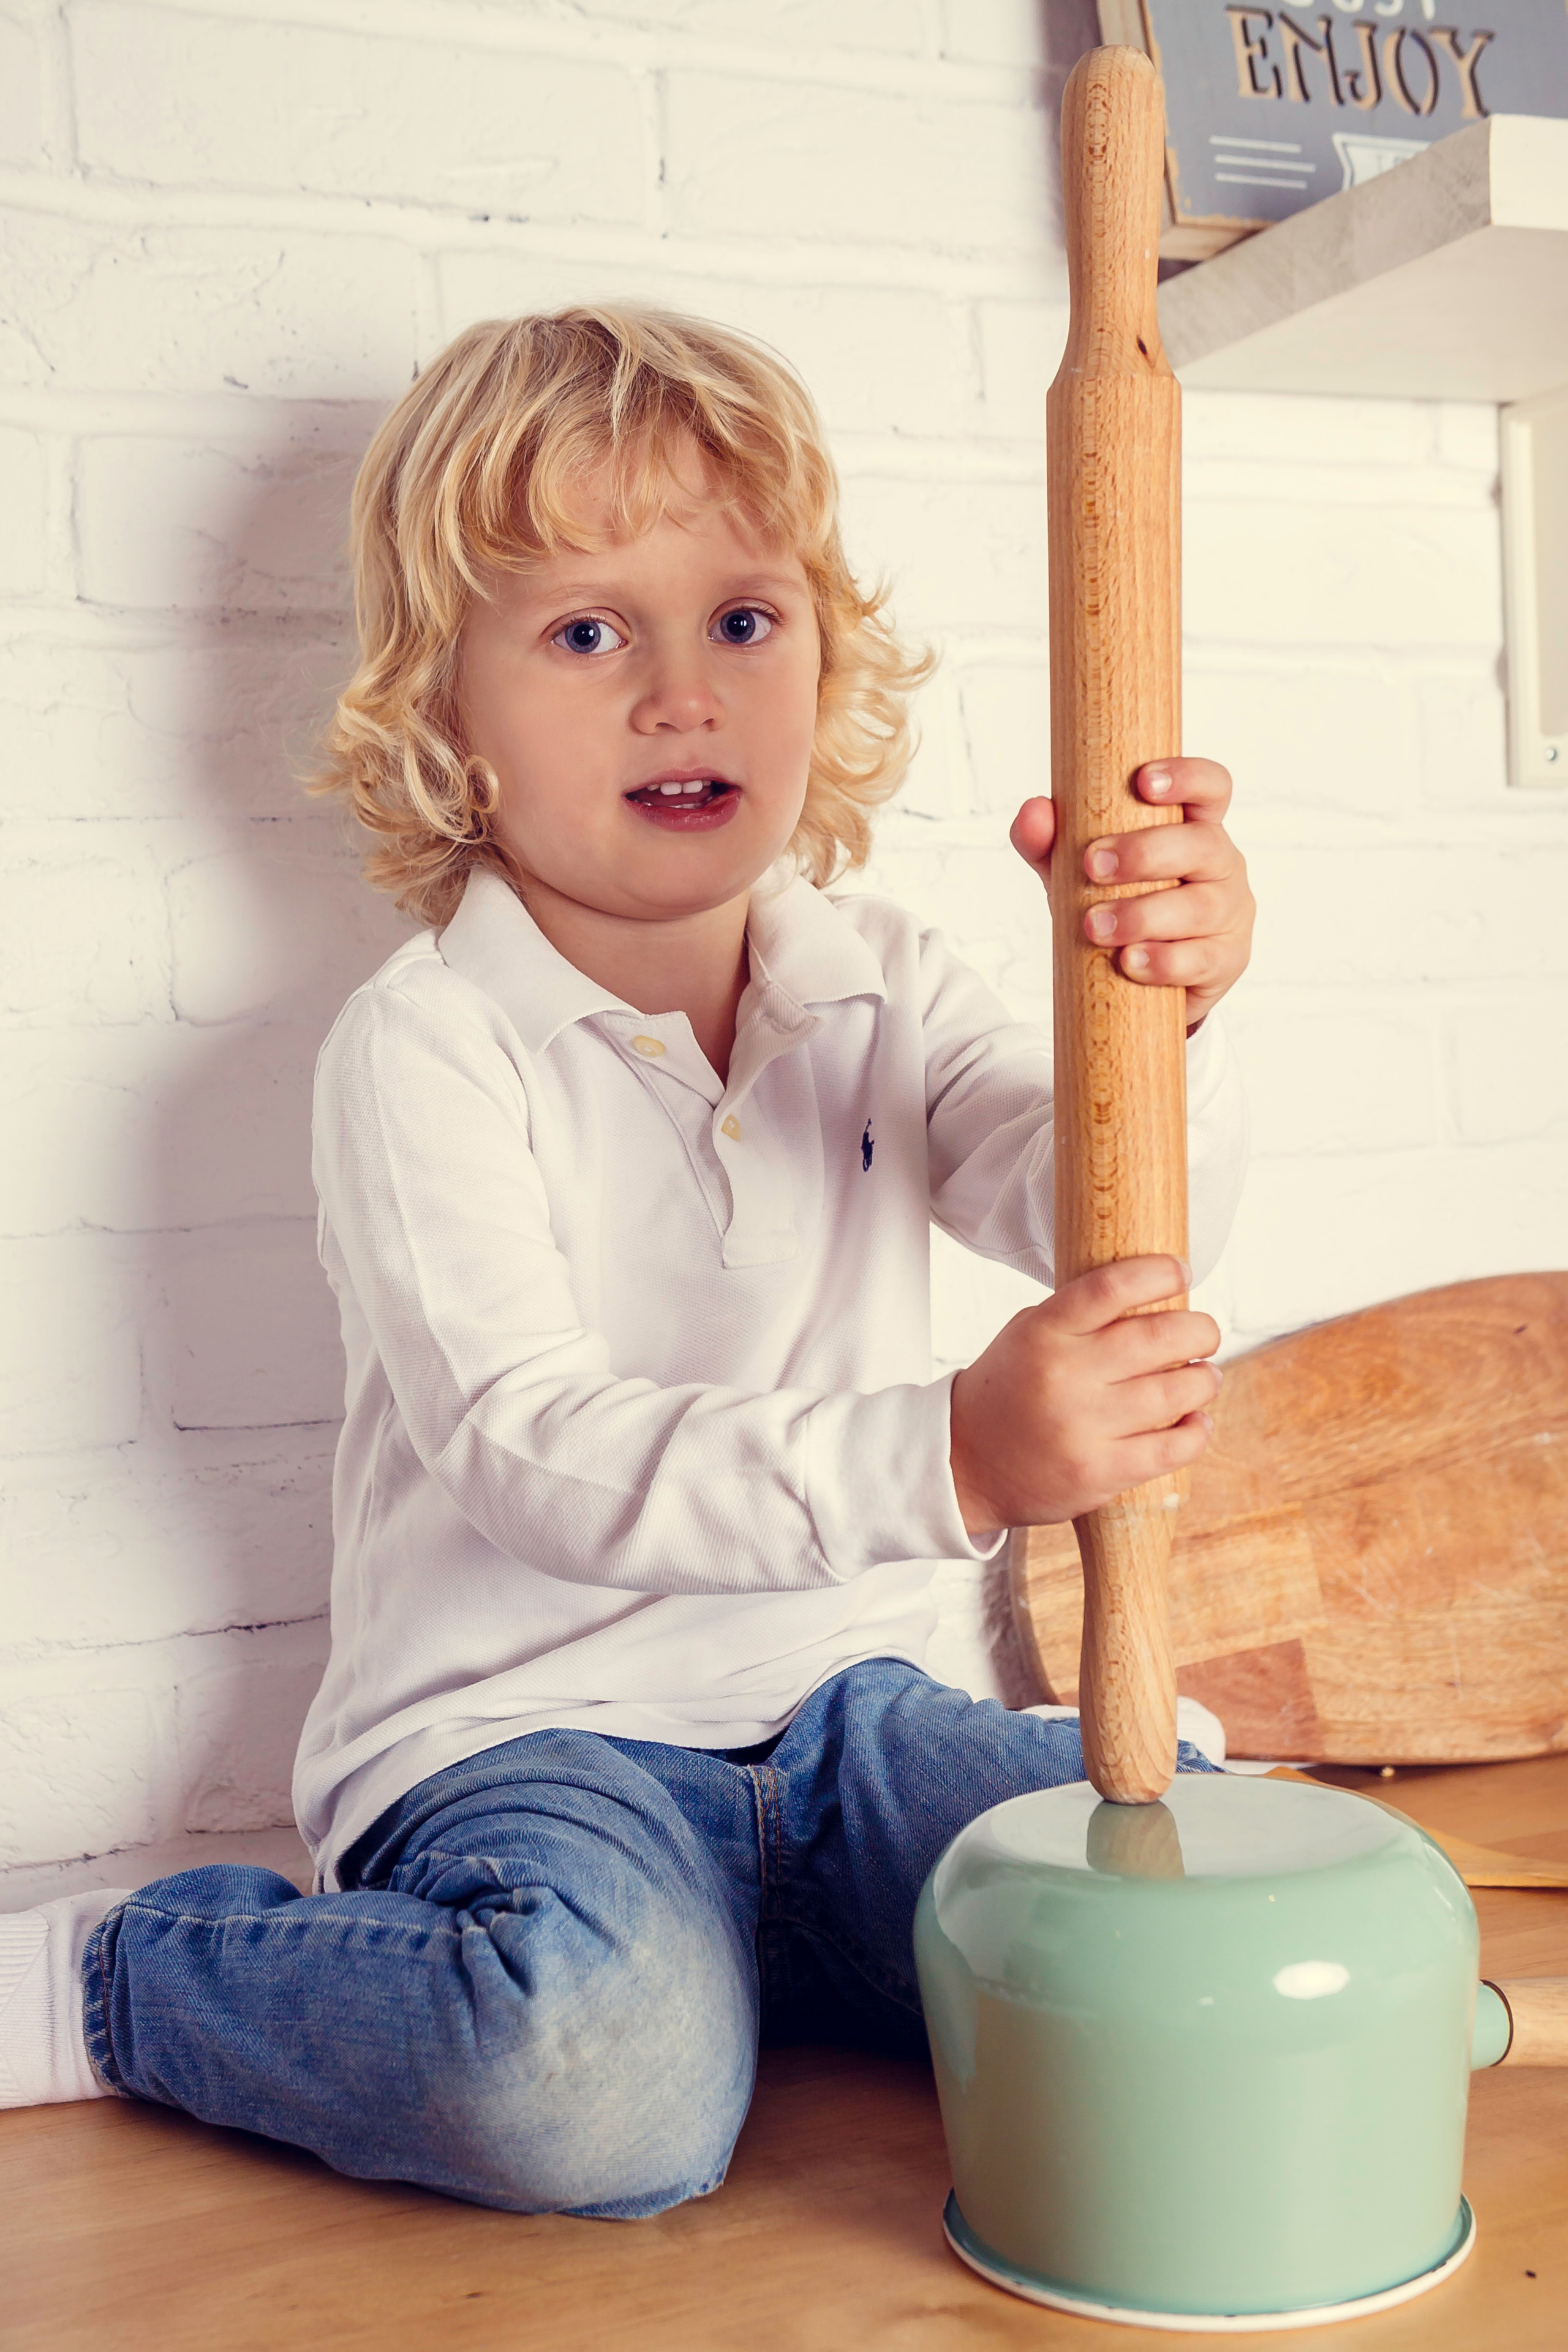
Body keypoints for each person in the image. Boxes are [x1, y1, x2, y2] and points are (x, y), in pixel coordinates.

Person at [0, 309, 1254, 2214]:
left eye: (743, 620)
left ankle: (769, 1963)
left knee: (1212, 1936)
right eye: (591, 631)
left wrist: (1158, 1009)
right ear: (448, 719)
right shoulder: (427, 1047)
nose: (683, 690)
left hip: (851, 1710)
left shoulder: (889, 981)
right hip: (529, 1736)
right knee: (587, 2089)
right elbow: (531, 1442)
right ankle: (126, 1979)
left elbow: (1099, 1213)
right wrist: (957, 1461)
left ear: (824, 662)